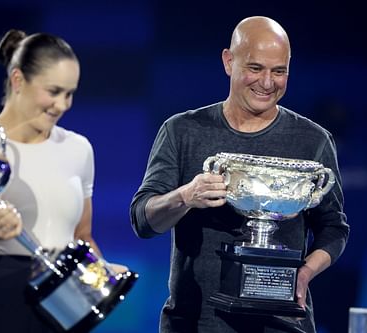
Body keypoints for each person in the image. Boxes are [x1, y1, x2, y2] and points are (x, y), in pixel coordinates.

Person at [130, 16, 349, 333]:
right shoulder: (182, 131)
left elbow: (334, 228)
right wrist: (184, 197)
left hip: (283, 325)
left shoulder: (312, 140)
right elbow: (143, 221)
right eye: (256, 68)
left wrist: (304, 273)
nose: (267, 82)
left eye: (279, 71)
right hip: (195, 322)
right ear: (228, 61)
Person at [0, 29, 127, 333]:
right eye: (54, 91)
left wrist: (100, 275)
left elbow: (81, 237)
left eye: (70, 93)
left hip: (57, 311)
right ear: (18, 80)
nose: (63, 105)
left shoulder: (79, 149)